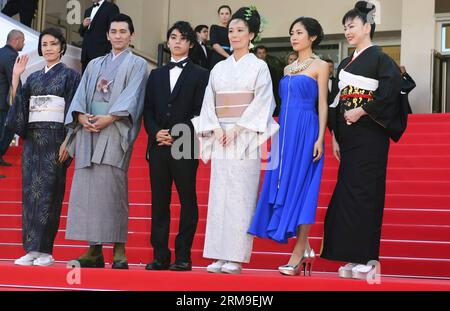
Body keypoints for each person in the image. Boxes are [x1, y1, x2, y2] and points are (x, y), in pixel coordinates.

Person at [192, 6, 279, 275]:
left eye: (240, 30)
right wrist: (216, 128)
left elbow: (264, 101)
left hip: (243, 136)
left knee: (241, 194)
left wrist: (239, 127)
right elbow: (209, 101)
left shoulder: (259, 66)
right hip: (221, 135)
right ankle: (218, 253)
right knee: (219, 194)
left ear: (251, 35)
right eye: (231, 30)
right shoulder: (218, 68)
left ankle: (236, 256)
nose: (234, 35)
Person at [320, 1, 402, 280]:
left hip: (370, 136)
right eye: (345, 27)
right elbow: (335, 102)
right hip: (349, 137)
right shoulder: (344, 63)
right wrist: (334, 137)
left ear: (367, 27)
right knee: (348, 195)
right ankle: (351, 257)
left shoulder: (381, 58)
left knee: (367, 194)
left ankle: (367, 256)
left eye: (352, 26)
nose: (347, 31)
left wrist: (364, 109)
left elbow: (391, 92)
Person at [64, 14, 148, 270]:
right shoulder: (94, 64)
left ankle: (119, 249)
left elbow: (134, 96)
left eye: (124, 31)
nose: (118, 35)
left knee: (113, 191)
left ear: (131, 35)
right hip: (89, 128)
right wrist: (79, 115)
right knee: (88, 191)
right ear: (108, 35)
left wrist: (109, 118)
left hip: (114, 129)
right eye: (114, 31)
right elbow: (80, 94)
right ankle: (94, 250)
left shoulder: (138, 64)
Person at [248, 17, 328, 277]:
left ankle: (299, 249)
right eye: (292, 32)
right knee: (282, 183)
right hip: (285, 131)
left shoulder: (320, 65)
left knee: (304, 188)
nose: (294, 37)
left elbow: (323, 104)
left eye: (299, 33)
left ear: (312, 37)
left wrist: (320, 138)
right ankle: (302, 248)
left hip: (307, 129)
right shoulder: (287, 68)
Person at [6, 28, 81, 266]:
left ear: (61, 47)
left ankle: (46, 251)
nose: (48, 48)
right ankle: (30, 249)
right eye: (44, 44)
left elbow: (74, 110)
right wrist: (17, 76)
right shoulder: (34, 77)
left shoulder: (71, 76)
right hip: (32, 141)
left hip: (56, 140)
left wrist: (69, 142)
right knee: (30, 194)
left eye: (53, 44)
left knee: (50, 194)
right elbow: (20, 106)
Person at [144, 21, 209, 272]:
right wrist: (155, 132)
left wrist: (178, 133)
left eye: (183, 38)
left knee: (187, 200)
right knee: (159, 201)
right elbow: (147, 109)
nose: (177, 41)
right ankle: (160, 255)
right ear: (168, 41)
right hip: (158, 144)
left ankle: (183, 256)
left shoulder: (201, 74)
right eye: (173, 37)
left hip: (185, 144)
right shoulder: (156, 74)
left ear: (191, 44)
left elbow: (200, 110)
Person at [0, 30, 24, 168]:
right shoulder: (11, 56)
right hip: (3, 104)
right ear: (16, 40)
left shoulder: (1, 52)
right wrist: (20, 100)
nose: (24, 43)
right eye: (22, 40)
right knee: (7, 132)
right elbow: (13, 79)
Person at [79, 0, 120, 73]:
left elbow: (113, 30)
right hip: (86, 55)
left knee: (99, 82)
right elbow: (82, 33)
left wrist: (108, 53)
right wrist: (83, 25)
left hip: (101, 55)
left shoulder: (111, 8)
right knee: (85, 82)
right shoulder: (88, 11)